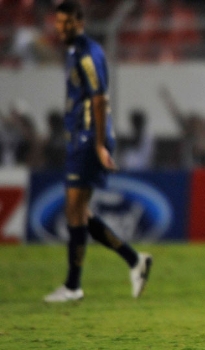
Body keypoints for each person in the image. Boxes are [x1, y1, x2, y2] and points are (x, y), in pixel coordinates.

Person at [44, 0, 152, 303]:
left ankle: (73, 285)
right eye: (59, 23)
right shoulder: (72, 52)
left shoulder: (89, 54)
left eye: (68, 23)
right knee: (78, 211)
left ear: (80, 23)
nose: (62, 28)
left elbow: (100, 100)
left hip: (89, 138)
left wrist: (99, 144)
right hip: (80, 137)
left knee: (75, 209)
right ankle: (134, 261)